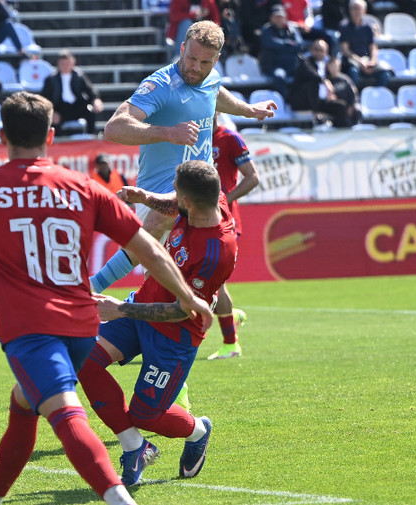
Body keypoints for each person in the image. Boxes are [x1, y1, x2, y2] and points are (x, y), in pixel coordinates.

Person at [0, 91, 213, 505]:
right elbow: (148, 248)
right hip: (82, 321)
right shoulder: (81, 186)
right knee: (24, 403)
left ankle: (122, 492)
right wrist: (187, 295)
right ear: (51, 134)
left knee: (63, 412)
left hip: (30, 327)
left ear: (3, 134)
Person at [78, 160, 237, 487]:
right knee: (84, 361)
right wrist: (144, 197)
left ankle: (198, 430)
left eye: (177, 192)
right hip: (143, 305)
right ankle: (134, 447)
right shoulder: (209, 200)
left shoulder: (215, 251)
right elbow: (172, 204)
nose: (172, 196)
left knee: (145, 415)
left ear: (190, 202)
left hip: (175, 335)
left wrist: (121, 310)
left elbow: (182, 311)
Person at [89, 20, 275, 295]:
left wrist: (249, 110)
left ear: (216, 60)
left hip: (200, 193)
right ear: (183, 47)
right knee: (160, 235)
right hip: (161, 190)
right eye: (191, 59)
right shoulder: (161, 84)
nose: (196, 68)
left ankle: (219, 326)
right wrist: (167, 132)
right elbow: (114, 128)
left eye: (205, 62)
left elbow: (214, 93)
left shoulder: (209, 78)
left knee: (201, 279)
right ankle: (92, 288)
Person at [208, 113, 259, 359]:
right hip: (194, 220)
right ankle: (230, 317)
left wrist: (224, 200)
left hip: (224, 221)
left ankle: (231, 343)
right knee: (202, 281)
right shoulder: (189, 138)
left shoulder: (230, 139)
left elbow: (253, 177)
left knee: (215, 282)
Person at [290, 40, 360, 127]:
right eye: (316, 49)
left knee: (341, 106)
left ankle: (343, 130)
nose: (318, 52)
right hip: (305, 103)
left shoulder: (326, 66)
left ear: (326, 52)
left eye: (321, 50)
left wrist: (333, 94)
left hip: (322, 102)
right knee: (313, 83)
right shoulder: (305, 62)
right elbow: (312, 74)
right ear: (311, 50)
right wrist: (324, 81)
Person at [39, 50, 103, 135]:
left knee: (90, 112)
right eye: (63, 64)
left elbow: (89, 90)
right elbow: (44, 98)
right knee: (53, 120)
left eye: (68, 63)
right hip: (60, 108)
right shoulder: (51, 79)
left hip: (77, 105)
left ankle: (90, 136)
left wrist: (96, 99)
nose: (65, 66)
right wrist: (52, 111)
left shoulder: (79, 76)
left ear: (73, 63)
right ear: (58, 64)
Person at [338, 0, 390, 88]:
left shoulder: (369, 27)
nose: (357, 11)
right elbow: (345, 50)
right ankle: (355, 97)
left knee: (385, 74)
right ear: (350, 10)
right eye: (354, 9)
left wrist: (372, 61)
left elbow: (373, 46)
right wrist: (360, 61)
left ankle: (374, 97)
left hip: (368, 60)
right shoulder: (344, 26)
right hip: (352, 60)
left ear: (364, 11)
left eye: (359, 9)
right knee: (353, 72)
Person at [259, 4, 305, 98]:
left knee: (308, 74)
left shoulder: (292, 29)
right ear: (271, 18)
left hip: (293, 65)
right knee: (279, 76)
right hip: (276, 65)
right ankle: (284, 102)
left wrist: (282, 45)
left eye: (281, 16)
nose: (279, 19)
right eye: (276, 17)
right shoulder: (266, 30)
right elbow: (270, 43)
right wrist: (289, 44)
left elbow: (300, 45)